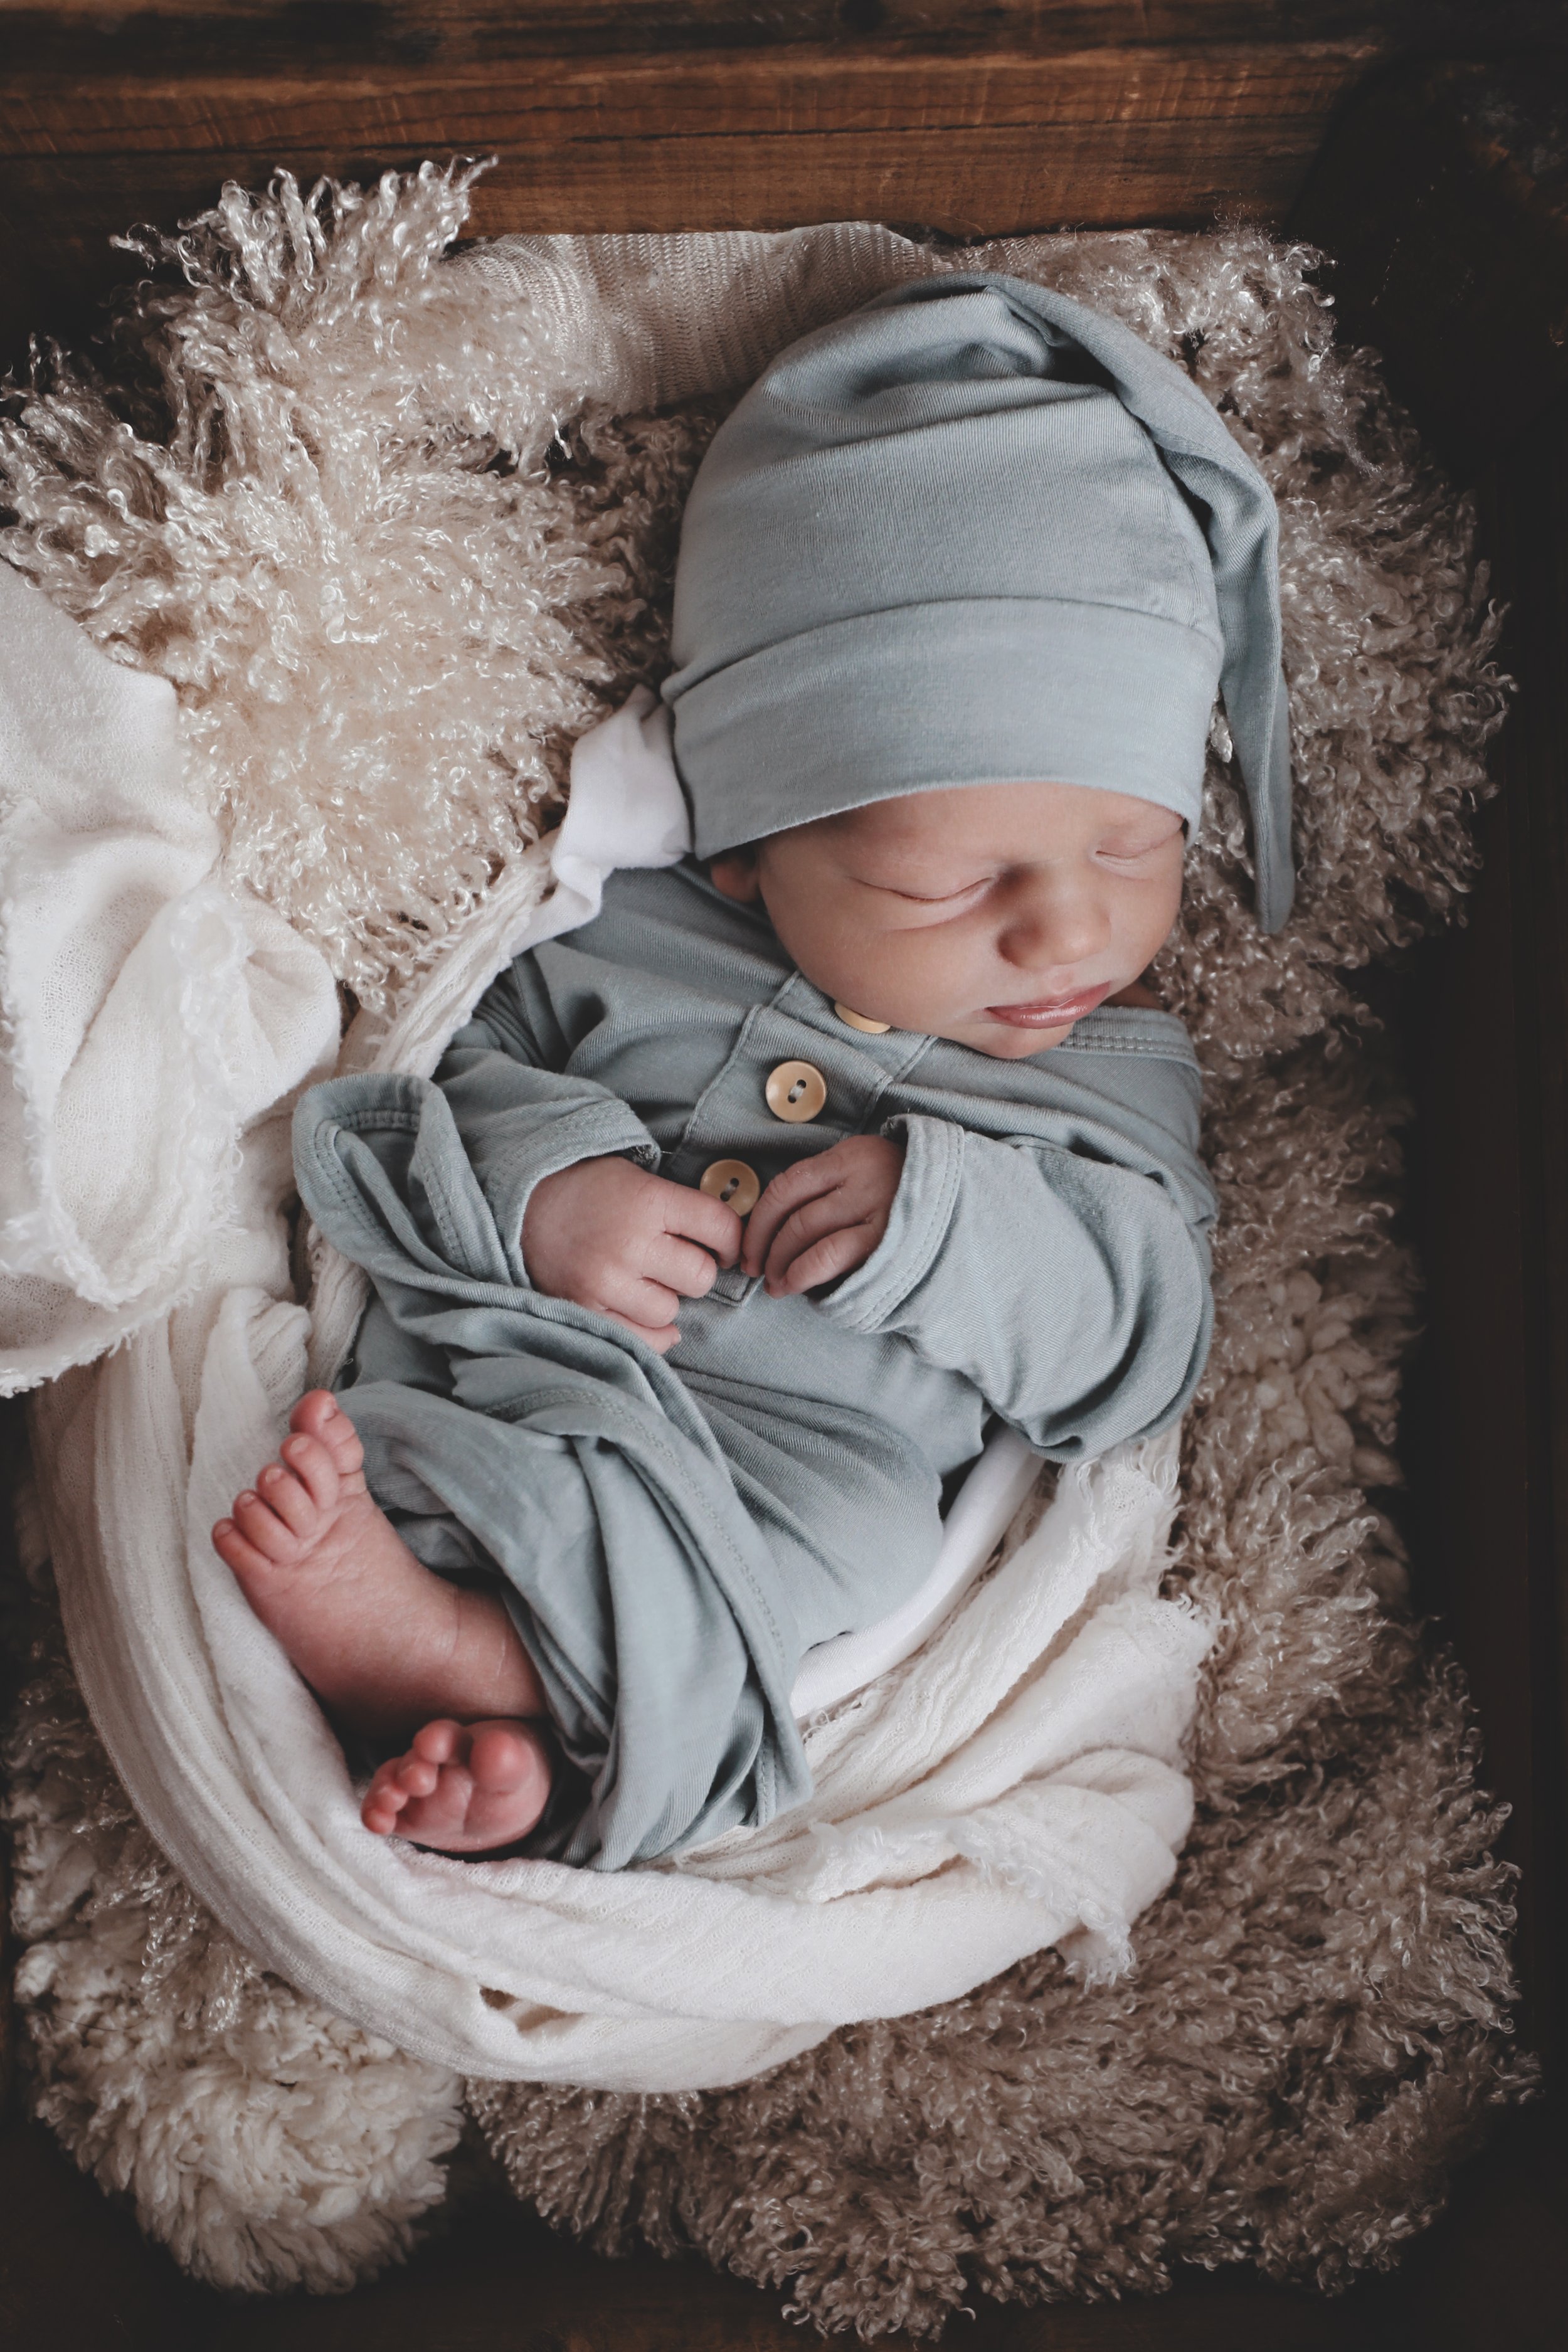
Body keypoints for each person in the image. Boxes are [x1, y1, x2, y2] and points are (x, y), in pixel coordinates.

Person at [210, 272, 1292, 1866]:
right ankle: (487, 1698)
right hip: (540, 1374)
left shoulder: (1109, 1079)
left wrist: (950, 1226)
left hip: (805, 1462)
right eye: (950, 886)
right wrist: (557, 1188)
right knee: (377, 1427)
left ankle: (476, 1677)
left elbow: (1137, 1341)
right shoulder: (620, 936)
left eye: (1134, 847)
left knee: (851, 1549)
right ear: (744, 851)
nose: (1068, 928)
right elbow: (433, 1087)